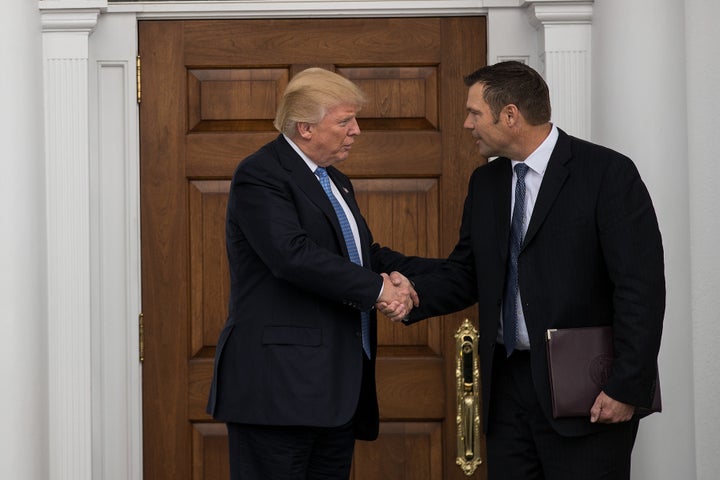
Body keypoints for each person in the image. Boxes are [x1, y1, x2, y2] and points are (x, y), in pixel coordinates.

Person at [380, 61, 665, 480]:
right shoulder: (486, 184)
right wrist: (415, 292)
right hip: (508, 389)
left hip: (586, 391)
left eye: (474, 113)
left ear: (510, 114)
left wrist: (626, 386)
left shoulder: (607, 173)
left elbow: (641, 289)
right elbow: (468, 273)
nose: (466, 124)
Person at [205, 67, 435, 480]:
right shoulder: (261, 174)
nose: (356, 130)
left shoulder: (336, 181)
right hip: (278, 391)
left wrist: (417, 278)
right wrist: (378, 290)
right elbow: (292, 256)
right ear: (305, 127)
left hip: (333, 393)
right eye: (345, 121)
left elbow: (361, 255)